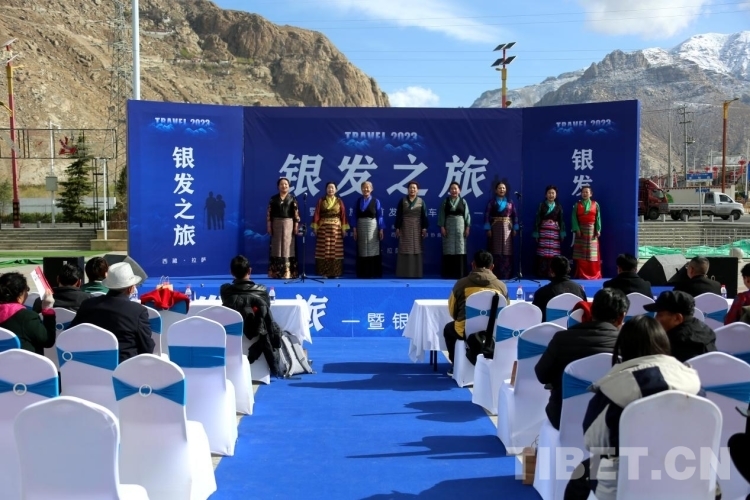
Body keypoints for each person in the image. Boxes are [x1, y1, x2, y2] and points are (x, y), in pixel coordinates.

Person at [564, 316, 705, 500]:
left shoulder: (614, 389)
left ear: (624, 346)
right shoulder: (695, 383)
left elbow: (593, 441)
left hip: (626, 482)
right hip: (688, 476)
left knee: (581, 473)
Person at [535, 288, 628, 430]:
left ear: (592, 310)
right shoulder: (628, 344)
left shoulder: (562, 339)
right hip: (612, 421)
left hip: (563, 417)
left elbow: (542, 375)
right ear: (622, 317)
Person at [69, 262, 154, 363]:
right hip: (124, 368)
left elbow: (71, 334)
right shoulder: (138, 311)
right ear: (131, 288)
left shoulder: (87, 305)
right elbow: (147, 348)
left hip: (91, 365)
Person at [443, 250, 508, 368]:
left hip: (464, 331)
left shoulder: (461, 284)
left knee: (448, 329)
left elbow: (453, 311)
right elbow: (505, 311)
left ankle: (456, 365)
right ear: (492, 267)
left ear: (473, 264)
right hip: (493, 332)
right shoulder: (501, 287)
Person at [220, 255, 283, 374]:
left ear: (231, 272)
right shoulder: (261, 290)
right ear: (249, 271)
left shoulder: (225, 290)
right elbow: (267, 307)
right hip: (258, 333)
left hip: (233, 333)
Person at [644, 290, 717, 362]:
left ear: (677, 318)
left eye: (660, 315)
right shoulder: (707, 331)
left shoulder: (670, 345)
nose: (655, 319)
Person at [0, 272, 56, 354]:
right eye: (27, 290)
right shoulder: (27, 318)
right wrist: (48, 309)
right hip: (24, 361)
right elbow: (48, 341)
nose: (27, 293)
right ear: (20, 294)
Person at [311, 182, 349, 278]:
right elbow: (317, 214)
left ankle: (336, 272)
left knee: (336, 251)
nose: (330, 189)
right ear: (326, 189)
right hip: (323, 228)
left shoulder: (339, 201)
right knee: (324, 250)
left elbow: (343, 215)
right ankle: (324, 272)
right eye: (328, 188)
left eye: (332, 188)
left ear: (336, 190)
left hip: (336, 228)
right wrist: (315, 227)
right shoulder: (321, 200)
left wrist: (344, 229)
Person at [532, 256, 586, 322]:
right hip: (575, 328)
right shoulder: (579, 290)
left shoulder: (541, 293)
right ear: (569, 270)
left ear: (551, 271)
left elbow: (534, 317)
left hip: (551, 328)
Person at [483, 181, 518, 280]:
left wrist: (515, 228)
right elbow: (487, 215)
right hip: (495, 228)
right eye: (499, 188)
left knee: (507, 250)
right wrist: (488, 228)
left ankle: (506, 274)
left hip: (507, 228)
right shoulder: (492, 202)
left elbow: (515, 215)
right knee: (495, 250)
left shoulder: (510, 202)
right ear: (496, 190)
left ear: (506, 190)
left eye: (503, 188)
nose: (502, 190)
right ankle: (495, 273)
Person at [267, 177, 300, 279]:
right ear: (278, 186)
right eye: (281, 184)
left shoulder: (292, 198)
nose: (284, 186)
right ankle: (275, 273)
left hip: (289, 224)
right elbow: (269, 213)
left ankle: (288, 273)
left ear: (289, 186)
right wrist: (269, 225)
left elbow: (296, 214)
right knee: (276, 247)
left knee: (287, 248)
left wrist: (296, 226)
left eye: (286, 184)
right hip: (276, 224)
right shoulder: (273, 199)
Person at [395, 181, 428, 278]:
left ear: (417, 190)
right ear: (408, 189)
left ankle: (416, 273)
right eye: (410, 188)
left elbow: (424, 216)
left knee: (416, 248)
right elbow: (399, 215)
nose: (412, 189)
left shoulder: (421, 201)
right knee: (405, 248)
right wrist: (397, 227)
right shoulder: (402, 201)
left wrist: (424, 228)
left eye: (414, 188)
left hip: (417, 227)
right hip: (405, 226)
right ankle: (404, 273)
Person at [438, 182, 471, 279]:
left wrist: (467, 227)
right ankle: (449, 274)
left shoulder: (463, 201)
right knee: (449, 249)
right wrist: (442, 227)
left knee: (460, 248)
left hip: (460, 227)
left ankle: (461, 273)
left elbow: (467, 215)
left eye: (455, 189)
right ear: (449, 191)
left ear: (459, 190)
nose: (453, 190)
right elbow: (442, 215)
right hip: (448, 226)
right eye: (452, 189)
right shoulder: (445, 201)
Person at [352, 180, 384, 278]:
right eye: (364, 187)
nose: (366, 189)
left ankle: (373, 272)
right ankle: (362, 273)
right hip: (361, 225)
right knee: (362, 249)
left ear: (371, 189)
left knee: (372, 249)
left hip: (372, 226)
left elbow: (380, 216)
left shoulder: (376, 201)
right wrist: (354, 229)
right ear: (361, 189)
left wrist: (381, 229)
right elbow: (354, 215)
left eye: (368, 187)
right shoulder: (358, 201)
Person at [533, 185, 566, 278]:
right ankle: (542, 272)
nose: (551, 195)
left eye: (553, 193)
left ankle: (553, 272)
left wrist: (562, 233)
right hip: (544, 231)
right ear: (545, 195)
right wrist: (536, 233)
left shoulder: (559, 206)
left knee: (553, 253)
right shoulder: (542, 205)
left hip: (554, 232)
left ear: (556, 195)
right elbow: (537, 219)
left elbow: (561, 221)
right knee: (543, 252)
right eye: (549, 193)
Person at [571, 186, 602, 280]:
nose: (584, 194)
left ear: (591, 194)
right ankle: (582, 274)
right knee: (581, 253)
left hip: (592, 231)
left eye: (587, 192)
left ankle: (593, 273)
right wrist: (577, 229)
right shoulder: (577, 205)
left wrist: (598, 229)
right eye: (583, 192)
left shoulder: (595, 204)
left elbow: (598, 218)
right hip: (581, 231)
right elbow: (574, 218)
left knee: (592, 253)